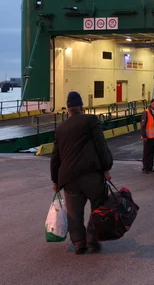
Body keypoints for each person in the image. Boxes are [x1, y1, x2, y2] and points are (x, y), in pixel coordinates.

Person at [50, 91, 113, 255]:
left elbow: (55, 157)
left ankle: (79, 243)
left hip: (69, 178)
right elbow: (101, 145)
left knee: (74, 212)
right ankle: (93, 240)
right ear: (82, 106)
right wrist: (106, 168)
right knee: (97, 206)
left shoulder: (61, 128)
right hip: (91, 173)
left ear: (68, 109)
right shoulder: (91, 120)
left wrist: (55, 180)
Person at [140, 98, 154, 174]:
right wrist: (144, 136)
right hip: (148, 137)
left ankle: (150, 167)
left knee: (152, 152)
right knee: (147, 153)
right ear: (151, 104)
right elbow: (143, 125)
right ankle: (145, 168)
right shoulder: (146, 112)